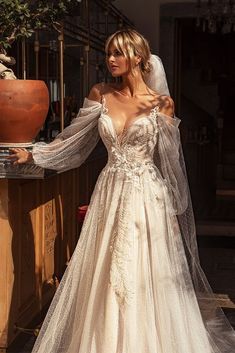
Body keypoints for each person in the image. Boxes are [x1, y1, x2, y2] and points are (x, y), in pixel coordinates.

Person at [9, 29, 235, 353]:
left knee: (146, 270)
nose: (110, 60)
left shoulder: (162, 104)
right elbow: (72, 139)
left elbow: (171, 162)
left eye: (117, 53)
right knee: (105, 267)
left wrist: (173, 211)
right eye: (108, 53)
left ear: (137, 57)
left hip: (148, 197)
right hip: (110, 191)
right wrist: (36, 155)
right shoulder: (100, 93)